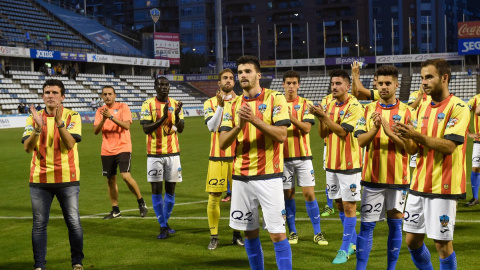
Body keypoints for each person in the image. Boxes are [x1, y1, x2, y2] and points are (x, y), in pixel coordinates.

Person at [394, 58, 469, 270]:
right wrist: (406, 135)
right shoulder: (422, 108)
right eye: (422, 78)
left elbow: (449, 146)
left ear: (444, 78)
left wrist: (416, 135)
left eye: (429, 77)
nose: (424, 82)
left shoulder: (459, 107)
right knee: (412, 241)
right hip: (418, 184)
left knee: (442, 245)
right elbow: (412, 150)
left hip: (443, 186)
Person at [219, 55, 292, 270]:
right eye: (239, 72)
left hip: (269, 177)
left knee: (277, 233)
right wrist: (239, 126)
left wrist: (254, 120)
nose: (242, 75)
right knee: (249, 233)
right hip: (241, 178)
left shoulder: (275, 98)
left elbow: (281, 135)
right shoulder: (232, 104)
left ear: (258, 75)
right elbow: (223, 143)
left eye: (247, 71)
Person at [354, 65, 413, 270]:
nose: (384, 87)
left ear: (397, 84)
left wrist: (389, 133)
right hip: (372, 177)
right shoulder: (368, 110)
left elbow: (410, 148)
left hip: (399, 179)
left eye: (388, 83)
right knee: (367, 226)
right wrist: (376, 129)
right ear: (376, 85)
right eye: (380, 84)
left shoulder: (407, 112)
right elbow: (360, 141)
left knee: (395, 224)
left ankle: (391, 268)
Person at [22, 79, 84, 270]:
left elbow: (70, 144)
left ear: (62, 97)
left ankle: (77, 262)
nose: (50, 95)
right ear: (42, 96)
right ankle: (39, 265)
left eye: (54, 92)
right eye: (47, 92)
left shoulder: (73, 116)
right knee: (39, 225)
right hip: (39, 179)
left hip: (68, 178)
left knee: (73, 223)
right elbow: (27, 147)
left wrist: (59, 123)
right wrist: (38, 129)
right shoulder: (33, 118)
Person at [308, 69, 364, 264]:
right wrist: (319, 116)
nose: (334, 87)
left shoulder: (355, 106)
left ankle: (344, 249)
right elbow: (323, 135)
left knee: (349, 207)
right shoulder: (329, 104)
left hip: (349, 164)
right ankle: (354, 243)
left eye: (338, 83)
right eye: (332, 83)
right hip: (331, 164)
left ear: (348, 86)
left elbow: (342, 132)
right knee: (339, 205)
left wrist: (324, 116)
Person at [281, 70, 327, 246]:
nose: (291, 86)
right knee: (289, 194)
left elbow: (306, 128)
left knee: (309, 194)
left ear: (298, 85)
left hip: (304, 157)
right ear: (283, 84)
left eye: (294, 83)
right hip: (283, 157)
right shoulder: (277, 103)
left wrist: (289, 117)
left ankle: (318, 232)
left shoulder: (306, 103)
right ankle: (292, 232)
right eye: (288, 83)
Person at [203, 68, 244, 250]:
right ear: (219, 83)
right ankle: (214, 236)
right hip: (217, 157)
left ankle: (237, 235)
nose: (228, 80)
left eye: (231, 78)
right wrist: (220, 106)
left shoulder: (241, 102)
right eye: (224, 78)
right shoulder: (209, 103)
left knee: (240, 199)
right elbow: (212, 127)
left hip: (238, 158)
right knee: (214, 198)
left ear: (234, 82)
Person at [93, 86, 148, 219]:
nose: (107, 96)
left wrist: (110, 117)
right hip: (106, 149)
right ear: (102, 97)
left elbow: (126, 125)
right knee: (110, 180)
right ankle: (115, 209)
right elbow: (95, 131)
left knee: (125, 176)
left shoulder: (123, 107)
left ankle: (141, 202)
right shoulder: (100, 111)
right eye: (104, 94)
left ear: (115, 95)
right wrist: (104, 119)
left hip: (123, 147)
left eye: (110, 94)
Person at [140, 76, 184, 239]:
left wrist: (177, 116)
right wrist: (163, 117)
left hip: (173, 154)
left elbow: (181, 128)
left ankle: (165, 223)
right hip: (154, 154)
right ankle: (163, 225)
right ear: (155, 87)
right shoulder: (147, 104)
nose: (164, 87)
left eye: (166, 85)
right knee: (156, 190)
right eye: (161, 85)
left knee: (171, 190)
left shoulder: (176, 104)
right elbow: (146, 129)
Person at [466, 93, 480, 207]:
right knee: (475, 168)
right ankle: (475, 197)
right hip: (478, 140)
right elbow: (464, 113)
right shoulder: (475, 99)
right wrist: (468, 132)